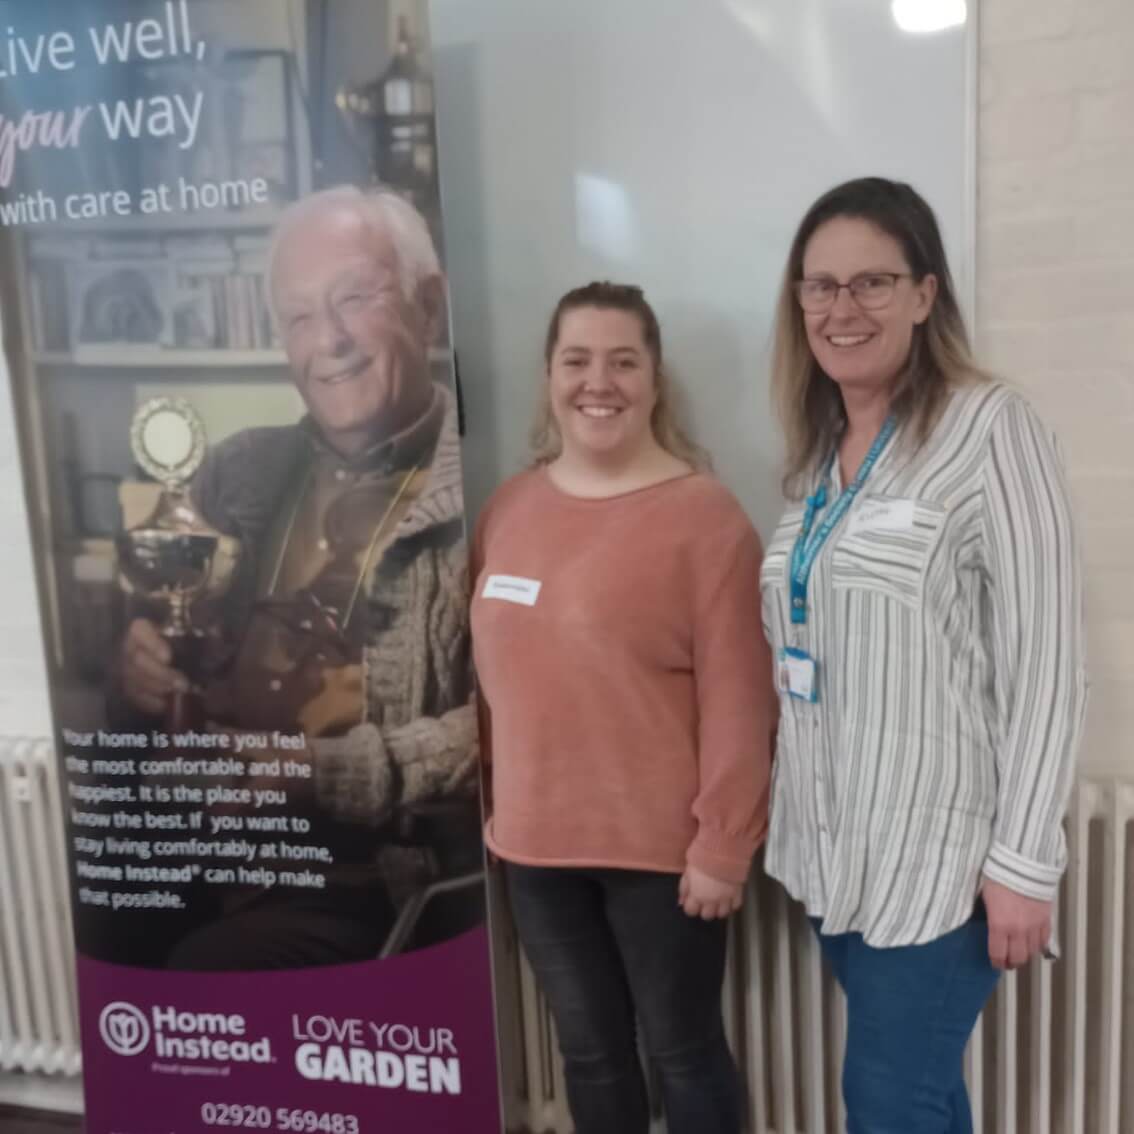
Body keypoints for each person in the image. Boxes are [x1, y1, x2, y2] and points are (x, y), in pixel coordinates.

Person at [760, 177, 1087, 1132]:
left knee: (886, 1101)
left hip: (940, 859)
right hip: (834, 853)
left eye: (872, 281)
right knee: (924, 1097)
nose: (841, 308)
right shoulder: (821, 455)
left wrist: (1026, 863)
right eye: (820, 287)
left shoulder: (992, 427)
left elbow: (1049, 661)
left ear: (924, 295)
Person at [111, 186, 482, 969]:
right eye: (300, 317)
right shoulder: (237, 471)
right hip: (209, 849)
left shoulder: (491, 491)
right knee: (92, 942)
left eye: (354, 298)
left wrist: (324, 774)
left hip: (369, 882)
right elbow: (171, 648)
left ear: (429, 306)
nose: (330, 342)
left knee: (201, 970)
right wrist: (140, 666)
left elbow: (514, 731)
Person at [470, 281, 775, 1134]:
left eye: (621, 361)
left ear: (653, 378)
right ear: (548, 376)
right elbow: (486, 675)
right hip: (534, 848)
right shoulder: (511, 506)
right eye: (576, 360)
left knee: (681, 1051)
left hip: (663, 857)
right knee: (590, 1052)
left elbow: (741, 699)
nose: (597, 382)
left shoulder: (705, 519)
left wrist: (724, 843)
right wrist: (488, 801)